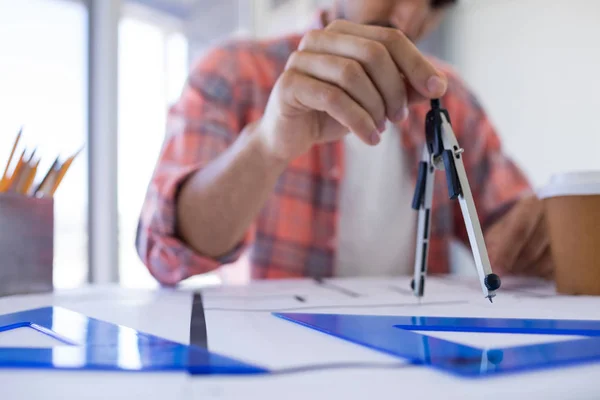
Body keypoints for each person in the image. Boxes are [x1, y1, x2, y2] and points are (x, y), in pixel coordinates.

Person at [136, 0, 553, 286]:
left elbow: (516, 229)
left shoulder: (451, 99)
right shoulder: (234, 71)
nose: (408, 14)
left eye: (433, 2)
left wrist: (544, 233)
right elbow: (164, 252)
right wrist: (267, 146)